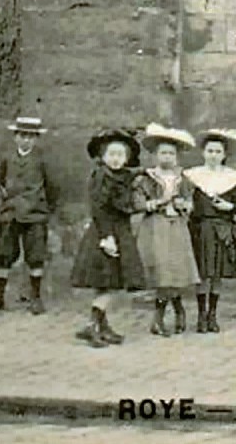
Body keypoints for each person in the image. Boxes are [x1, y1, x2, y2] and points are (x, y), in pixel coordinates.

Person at [70, 128, 145, 347]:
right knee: (108, 281)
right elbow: (99, 208)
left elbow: (131, 181)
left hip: (119, 230)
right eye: (111, 154)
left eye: (120, 155)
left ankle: (102, 326)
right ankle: (92, 325)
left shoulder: (121, 176)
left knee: (110, 281)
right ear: (103, 157)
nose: (115, 159)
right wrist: (107, 237)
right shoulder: (102, 176)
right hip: (107, 231)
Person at [133, 124, 201, 336]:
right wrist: (160, 201)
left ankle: (178, 309)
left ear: (177, 156)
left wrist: (184, 205)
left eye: (171, 153)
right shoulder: (145, 178)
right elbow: (139, 204)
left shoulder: (184, 180)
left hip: (177, 226)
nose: (167, 157)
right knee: (163, 271)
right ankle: (160, 317)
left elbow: (191, 202)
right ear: (154, 155)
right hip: (156, 227)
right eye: (163, 152)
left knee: (176, 269)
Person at [0, 116, 57, 316]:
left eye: (30, 136)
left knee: (35, 257)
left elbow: (52, 187)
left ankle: (35, 297)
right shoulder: (7, 158)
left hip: (35, 216)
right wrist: (7, 204)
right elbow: (2, 182)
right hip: (10, 215)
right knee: (4, 255)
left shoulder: (42, 160)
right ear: (15, 137)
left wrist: (43, 208)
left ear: (36, 139)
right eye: (22, 135)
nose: (26, 140)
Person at [185, 128, 236, 333]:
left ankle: (213, 314)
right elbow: (187, 201)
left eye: (218, 152)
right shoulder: (192, 176)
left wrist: (229, 207)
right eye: (210, 151)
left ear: (224, 155)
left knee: (217, 274)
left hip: (223, 228)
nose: (213, 155)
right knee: (203, 273)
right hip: (201, 228)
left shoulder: (233, 178)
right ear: (203, 152)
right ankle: (201, 315)